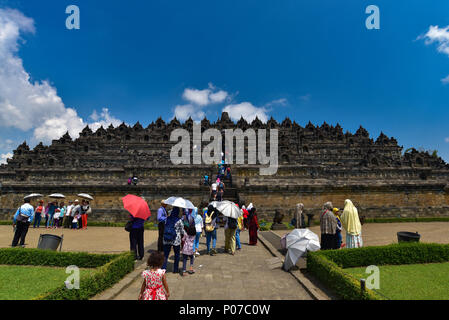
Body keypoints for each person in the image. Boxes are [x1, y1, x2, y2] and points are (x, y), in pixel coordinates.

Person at [162, 207, 184, 273]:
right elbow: (182, 231)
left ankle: (163, 269)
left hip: (166, 238)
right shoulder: (179, 220)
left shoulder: (167, 219)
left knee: (165, 254)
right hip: (176, 240)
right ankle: (175, 269)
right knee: (177, 254)